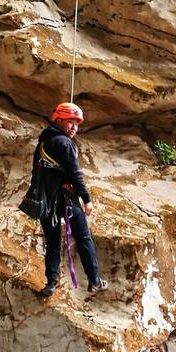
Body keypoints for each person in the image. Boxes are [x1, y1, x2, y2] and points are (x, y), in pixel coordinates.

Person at [32, 102, 108, 297]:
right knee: (83, 237)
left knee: (53, 242)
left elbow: (37, 172)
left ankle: (51, 283)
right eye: (70, 122)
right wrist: (86, 198)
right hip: (66, 200)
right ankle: (94, 280)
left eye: (76, 123)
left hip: (46, 200)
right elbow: (75, 174)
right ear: (58, 120)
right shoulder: (65, 143)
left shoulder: (43, 142)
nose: (74, 127)